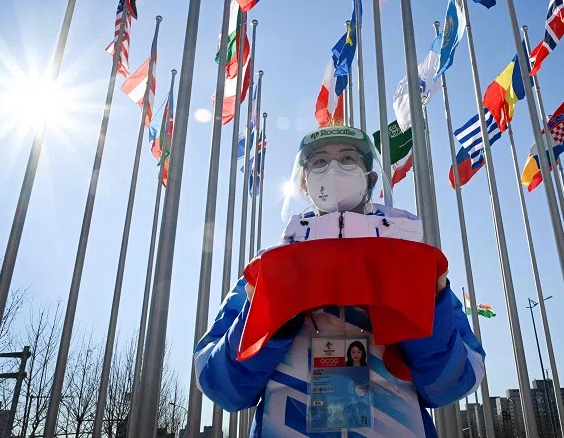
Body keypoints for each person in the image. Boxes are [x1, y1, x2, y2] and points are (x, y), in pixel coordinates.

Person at [193, 126, 486, 437]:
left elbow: (450, 386)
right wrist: (265, 316)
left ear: (371, 180)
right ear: (304, 183)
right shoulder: (269, 268)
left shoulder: (412, 264)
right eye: (318, 161)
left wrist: (427, 306)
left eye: (348, 158)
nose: (332, 169)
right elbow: (223, 388)